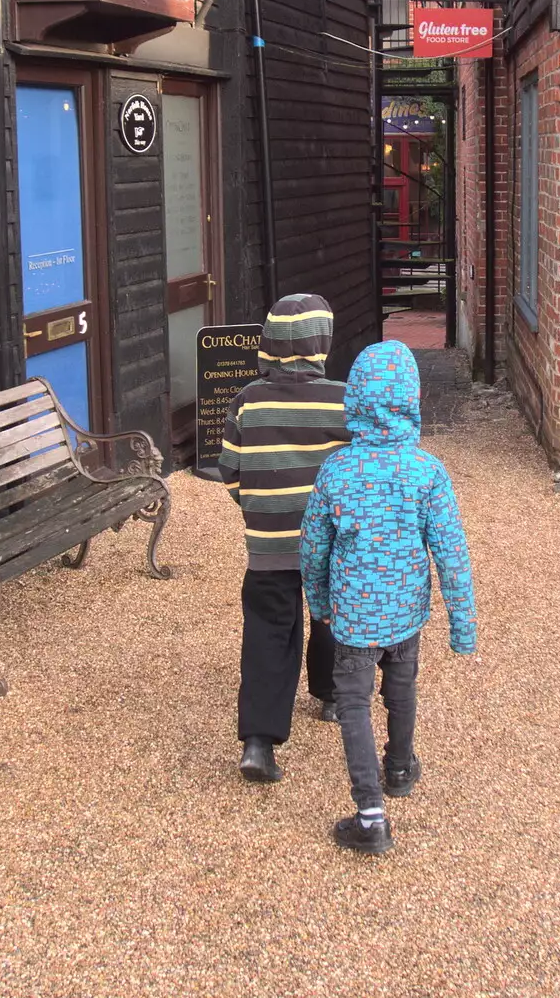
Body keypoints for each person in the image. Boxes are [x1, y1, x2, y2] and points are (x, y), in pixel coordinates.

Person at [300, 341, 475, 855]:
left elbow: (312, 548)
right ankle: (399, 766)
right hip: (405, 612)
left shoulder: (337, 471)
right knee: (401, 686)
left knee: (352, 703)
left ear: (353, 401)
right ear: (412, 401)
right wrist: (462, 627)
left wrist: (319, 602)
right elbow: (452, 555)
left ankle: (370, 814)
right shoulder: (427, 472)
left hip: (351, 616)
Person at [220, 293, 351, 783]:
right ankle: (332, 697)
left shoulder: (248, 400)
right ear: (323, 342)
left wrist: (256, 506)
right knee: (330, 616)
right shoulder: (344, 399)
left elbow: (230, 469)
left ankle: (259, 741)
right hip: (331, 539)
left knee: (268, 631)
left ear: (269, 342)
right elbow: (358, 469)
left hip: (269, 539)